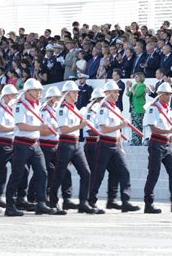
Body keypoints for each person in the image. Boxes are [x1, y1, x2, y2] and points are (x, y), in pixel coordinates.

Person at [4, 78, 55, 216]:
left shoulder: (37, 105)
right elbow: (21, 126)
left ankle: (41, 203)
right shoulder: (20, 105)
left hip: (35, 143)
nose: (40, 92)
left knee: (42, 172)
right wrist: (40, 127)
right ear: (29, 91)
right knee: (17, 174)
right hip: (22, 143)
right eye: (37, 90)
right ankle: (10, 205)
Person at [89, 81, 140, 213]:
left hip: (116, 144)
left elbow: (117, 132)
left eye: (118, 92)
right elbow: (104, 129)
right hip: (104, 144)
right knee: (98, 173)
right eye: (115, 92)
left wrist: (121, 145)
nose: (118, 94)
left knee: (123, 171)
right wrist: (121, 126)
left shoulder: (116, 109)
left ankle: (123, 201)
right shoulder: (102, 108)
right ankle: (91, 200)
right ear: (107, 93)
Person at [50, 81, 98, 214]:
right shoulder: (62, 109)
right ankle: (53, 202)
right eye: (74, 92)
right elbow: (63, 129)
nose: (77, 95)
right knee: (59, 174)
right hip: (65, 143)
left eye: (77, 92)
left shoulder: (75, 109)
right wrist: (80, 126)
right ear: (67, 94)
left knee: (86, 173)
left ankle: (83, 202)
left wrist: (79, 127)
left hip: (76, 144)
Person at [143, 83, 172, 214]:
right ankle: (148, 203)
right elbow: (153, 129)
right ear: (160, 95)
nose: (169, 96)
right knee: (154, 173)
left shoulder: (168, 108)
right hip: (156, 144)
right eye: (167, 94)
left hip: (166, 145)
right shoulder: (154, 108)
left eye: (170, 94)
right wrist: (168, 131)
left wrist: (170, 137)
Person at [39, 86, 77, 212]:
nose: (58, 100)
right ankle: (41, 198)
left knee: (65, 172)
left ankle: (67, 199)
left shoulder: (58, 110)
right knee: (49, 172)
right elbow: (42, 131)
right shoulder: (44, 111)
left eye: (59, 98)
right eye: (56, 98)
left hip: (57, 145)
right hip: (45, 145)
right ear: (49, 99)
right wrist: (55, 129)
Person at [0, 84, 20, 209]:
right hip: (2, 143)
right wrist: (17, 127)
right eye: (13, 95)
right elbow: (1, 127)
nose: (14, 98)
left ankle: (6, 197)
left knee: (19, 170)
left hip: (13, 142)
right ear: (6, 96)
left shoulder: (13, 108)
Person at [126, 72, 146, 146]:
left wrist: (131, 87)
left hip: (139, 108)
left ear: (141, 77)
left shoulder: (142, 86)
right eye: (135, 77)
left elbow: (136, 94)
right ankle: (134, 140)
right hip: (133, 108)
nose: (135, 78)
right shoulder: (134, 85)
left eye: (137, 77)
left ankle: (138, 141)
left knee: (138, 125)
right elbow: (128, 94)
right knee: (134, 125)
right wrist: (127, 87)